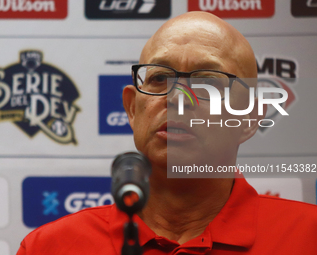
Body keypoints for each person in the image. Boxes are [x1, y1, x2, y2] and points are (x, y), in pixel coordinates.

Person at [17, 12, 317, 255]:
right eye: (160, 77)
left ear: (250, 117)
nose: (178, 97)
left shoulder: (308, 237)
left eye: (208, 82)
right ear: (132, 109)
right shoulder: (50, 247)